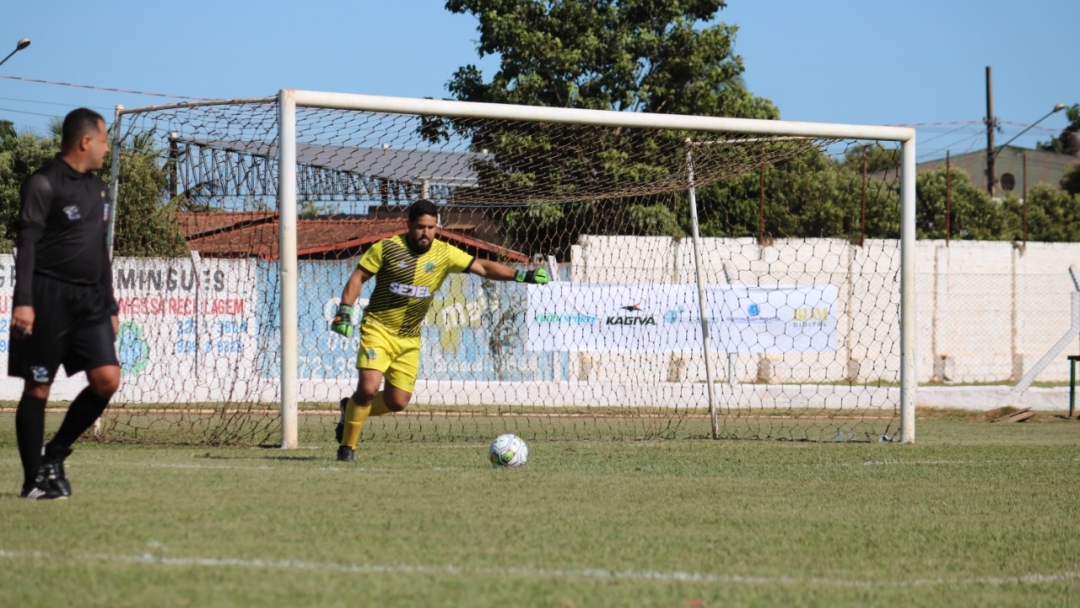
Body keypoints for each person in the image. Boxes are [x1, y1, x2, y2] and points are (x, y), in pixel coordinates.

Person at [330, 199, 548, 462]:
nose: (426, 233)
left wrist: (520, 275)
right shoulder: (387, 248)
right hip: (378, 328)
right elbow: (358, 277)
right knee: (368, 388)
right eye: (421, 227)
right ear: (409, 225)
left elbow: (482, 267)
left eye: (432, 227)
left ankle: (349, 408)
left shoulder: (444, 253)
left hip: (409, 337)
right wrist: (345, 310)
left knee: (397, 402)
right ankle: (347, 449)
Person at [10, 108, 120, 499]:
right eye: (104, 140)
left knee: (107, 380)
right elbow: (26, 245)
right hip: (47, 295)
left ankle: (55, 454)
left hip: (90, 300)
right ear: (85, 142)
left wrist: (111, 306)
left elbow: (97, 251)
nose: (107, 148)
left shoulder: (99, 189)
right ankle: (32, 481)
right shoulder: (43, 183)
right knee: (38, 388)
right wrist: (23, 301)